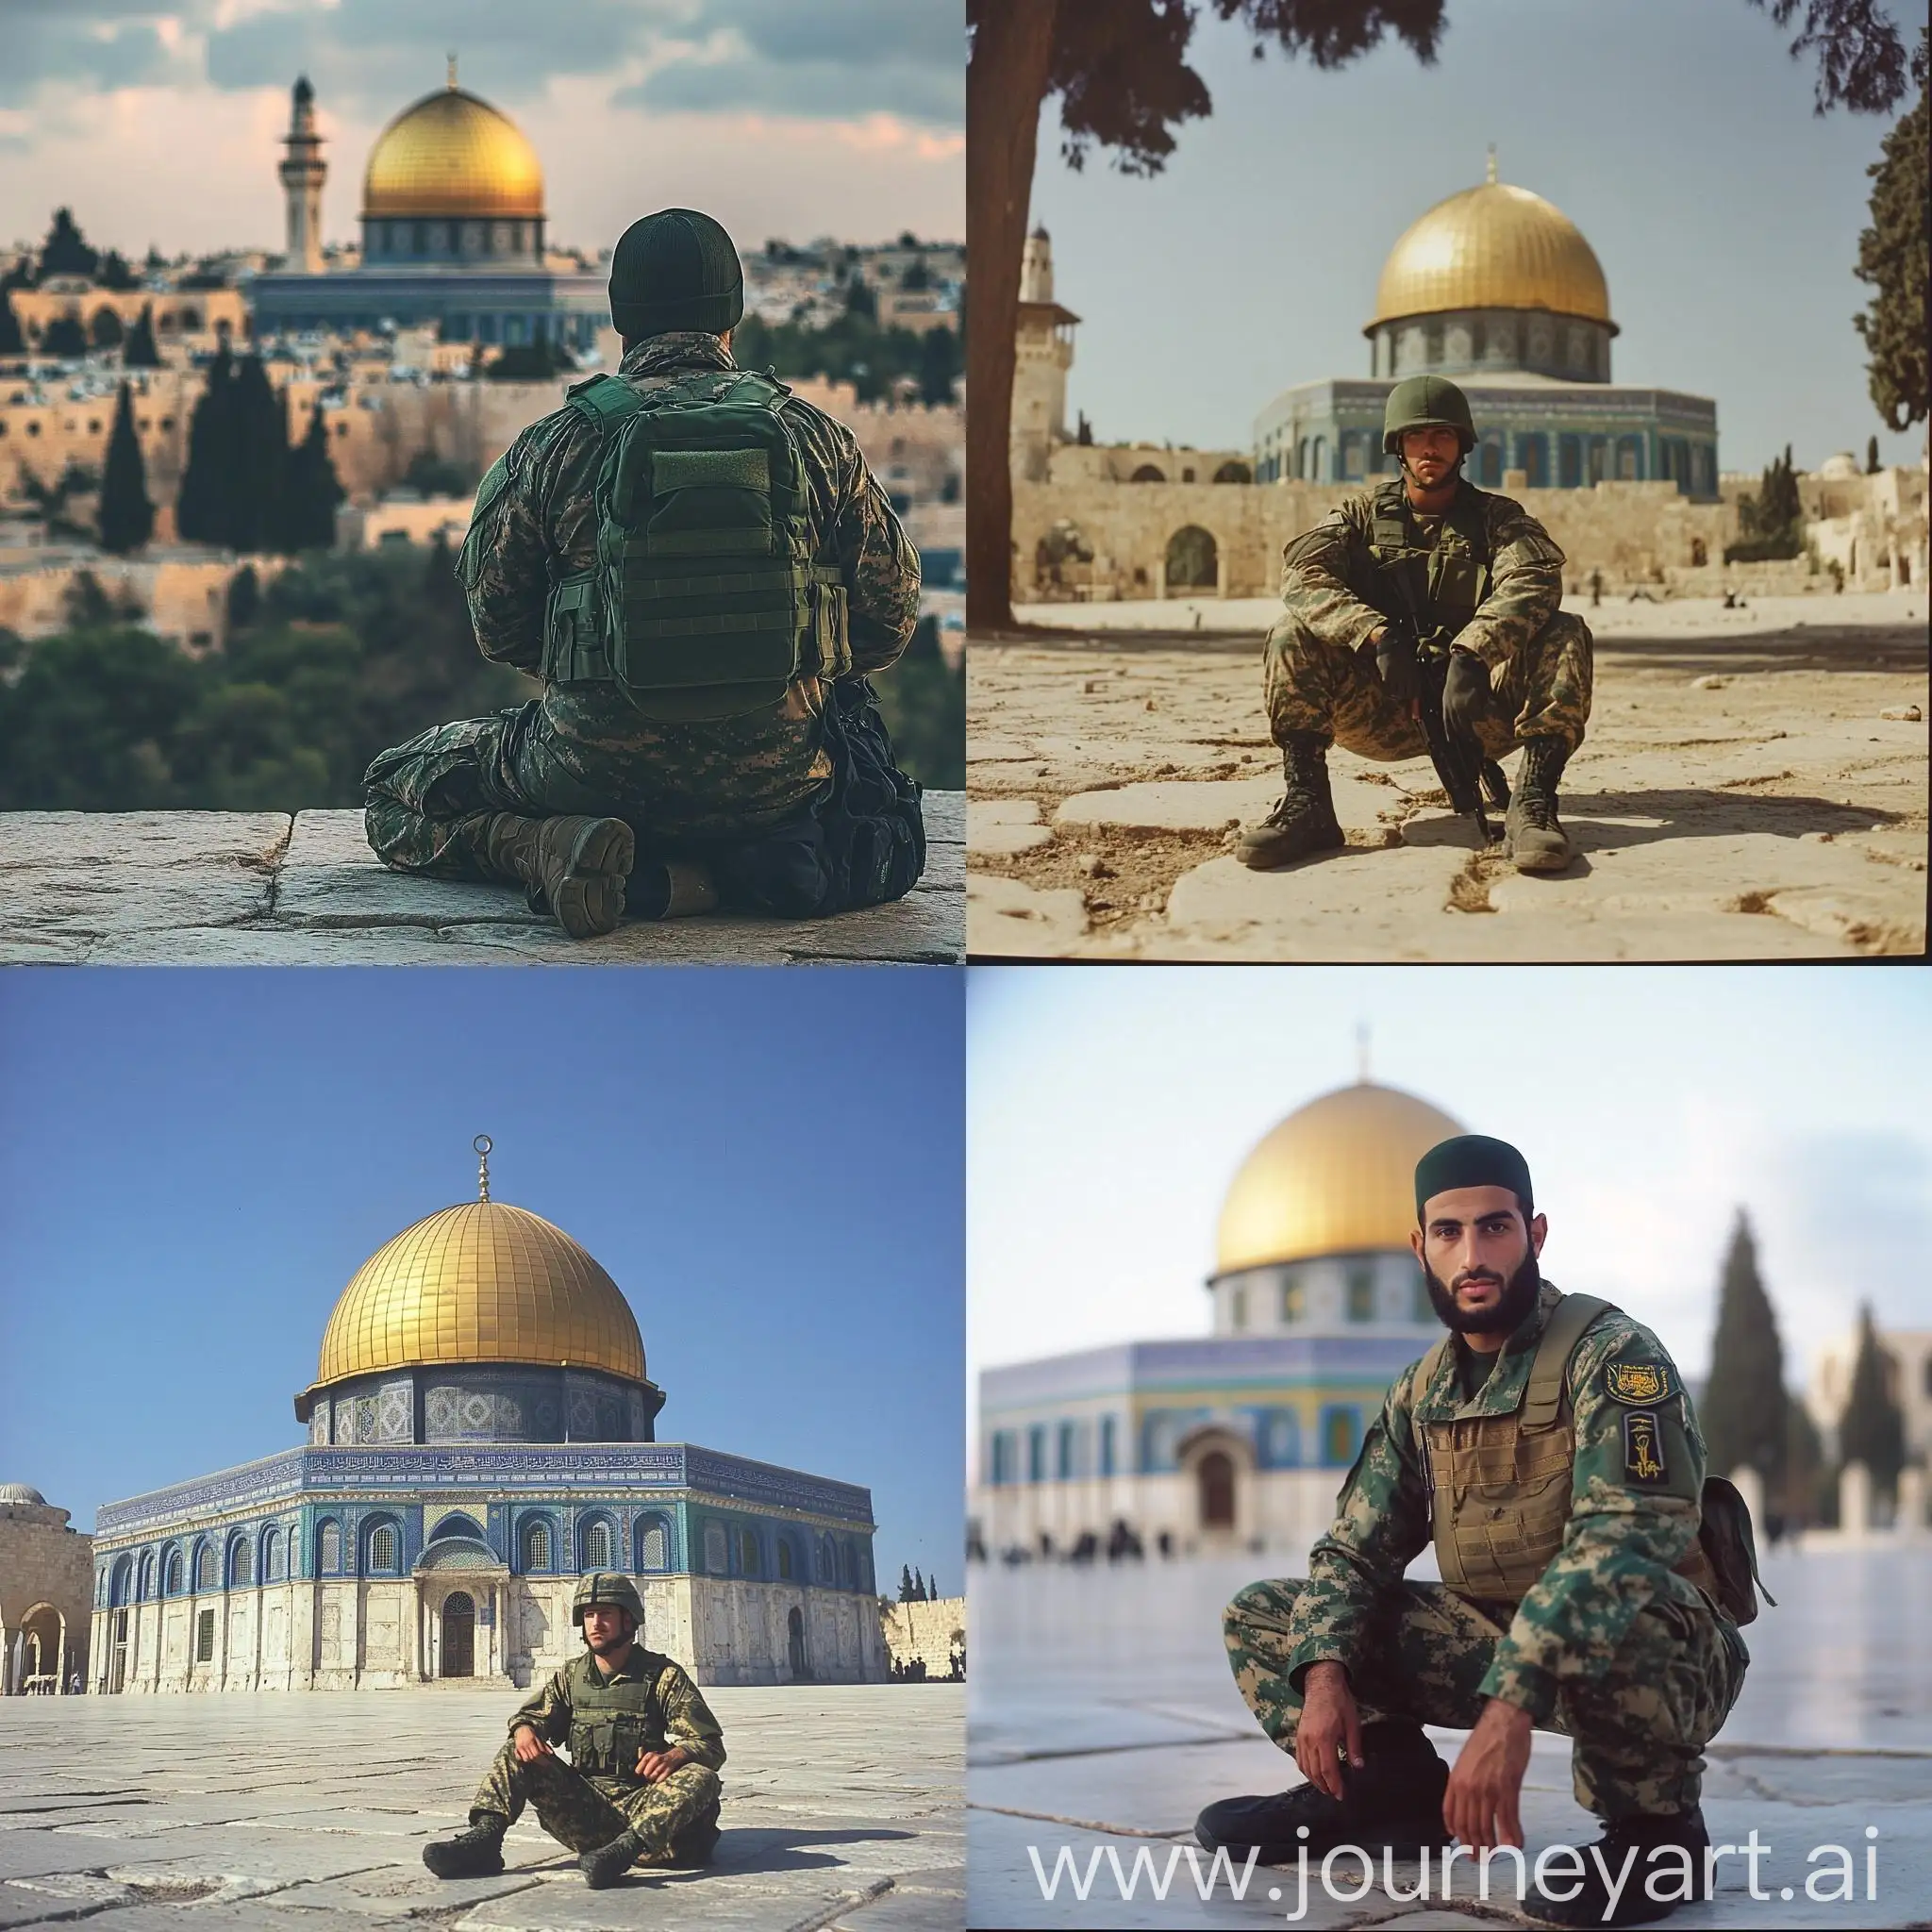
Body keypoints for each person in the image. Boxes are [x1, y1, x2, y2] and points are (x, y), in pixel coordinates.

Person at [1197, 1134, 1752, 1930]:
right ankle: (1384, 1795)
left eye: (1495, 1227)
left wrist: (1507, 1712)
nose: (1474, 1255)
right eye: (1449, 1234)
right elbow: (1354, 1550)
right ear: (1419, 1248)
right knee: (1271, 1616)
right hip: (1498, 1635)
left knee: (1625, 1600)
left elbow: (1625, 1545)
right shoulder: (1422, 1392)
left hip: (1654, 1645)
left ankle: (1659, 1835)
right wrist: (1323, 1677)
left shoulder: (1613, 1355)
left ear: (1536, 1233)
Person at [363, 207, 925, 938]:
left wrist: (612, 670)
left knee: (390, 791)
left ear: (620, 317)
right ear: (734, 313)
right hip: (780, 779)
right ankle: (696, 878)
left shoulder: (556, 444)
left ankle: (538, 847)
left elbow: (499, 630)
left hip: (587, 766)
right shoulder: (815, 439)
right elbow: (889, 622)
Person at [1238, 376, 1593, 875]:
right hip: (1380, 710)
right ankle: (1308, 804)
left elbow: (1534, 579)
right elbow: (1301, 577)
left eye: (1443, 436)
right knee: (1288, 633)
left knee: (1566, 630)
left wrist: (1473, 655)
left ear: (1462, 445)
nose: (1431, 448)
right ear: (1398, 447)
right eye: (1417, 437)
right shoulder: (1359, 516)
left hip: (1473, 712)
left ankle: (1533, 803)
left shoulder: (1498, 519)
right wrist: (1376, 636)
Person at [421, 1573, 726, 1890]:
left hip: (655, 1827)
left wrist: (678, 1754)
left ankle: (624, 1852)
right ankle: (485, 1841)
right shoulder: (572, 1676)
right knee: (518, 1748)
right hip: (590, 1817)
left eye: (605, 1614)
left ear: (628, 1619)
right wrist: (525, 1728)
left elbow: (710, 1745)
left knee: (700, 1777)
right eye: (589, 1615)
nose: (595, 1624)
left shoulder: (663, 1676)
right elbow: (530, 1717)